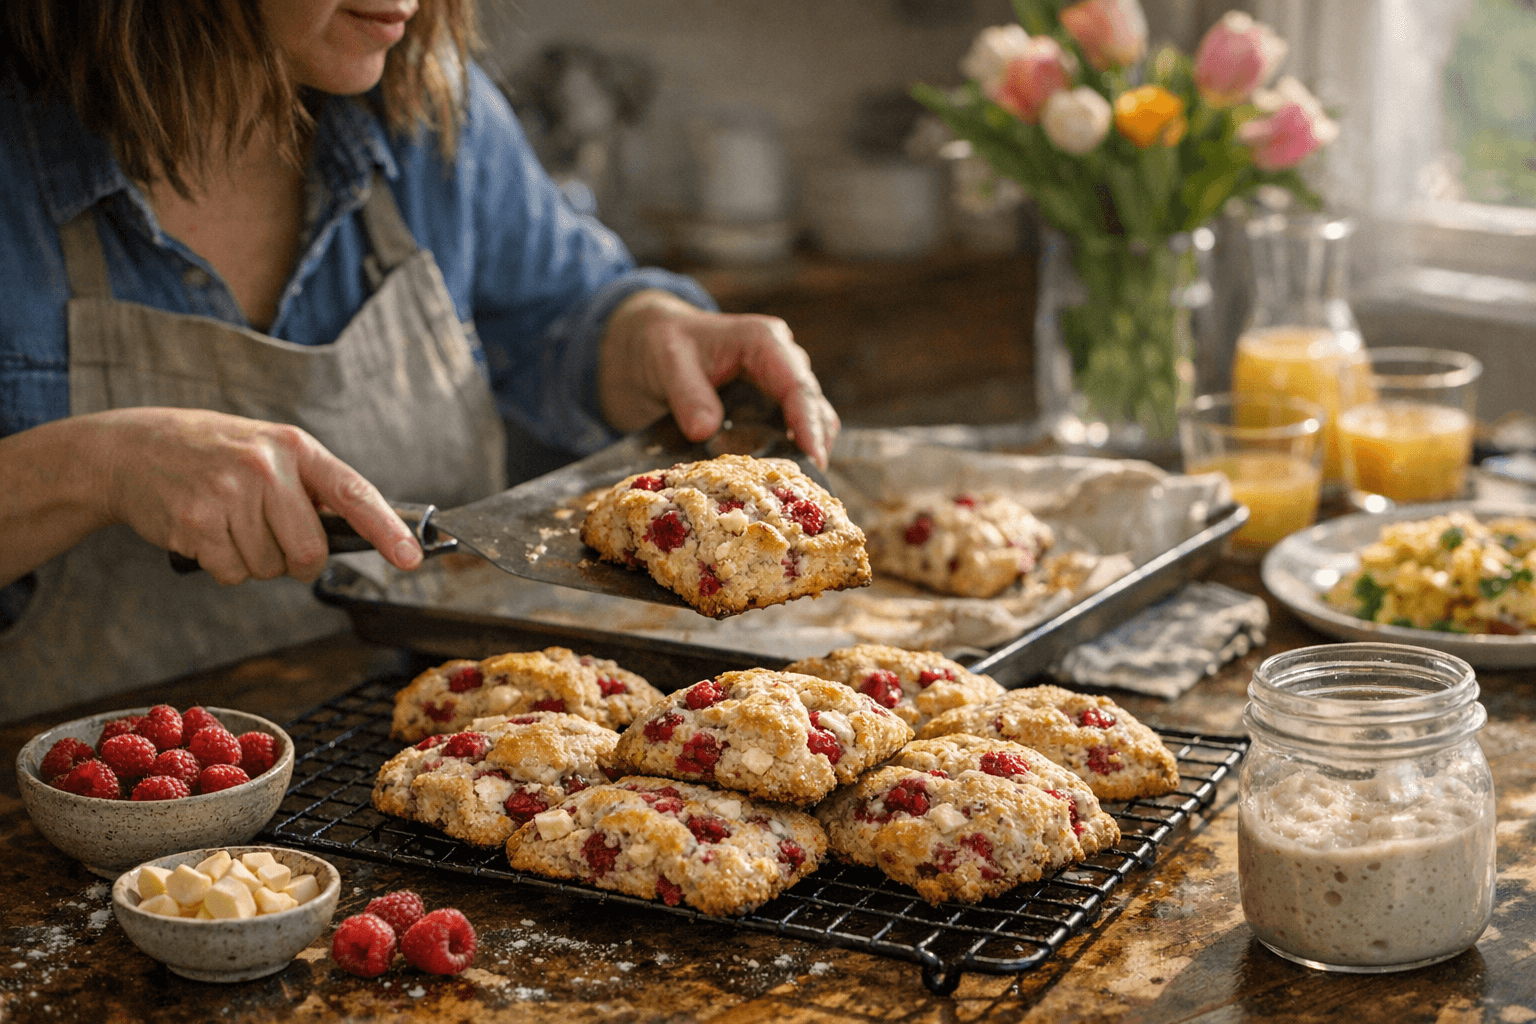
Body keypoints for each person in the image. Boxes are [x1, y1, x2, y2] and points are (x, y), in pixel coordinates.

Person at [0, 0, 839, 719]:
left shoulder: (435, 105)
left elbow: (563, 318)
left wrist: (651, 333)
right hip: (72, 806)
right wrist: (98, 467)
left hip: (422, 738)